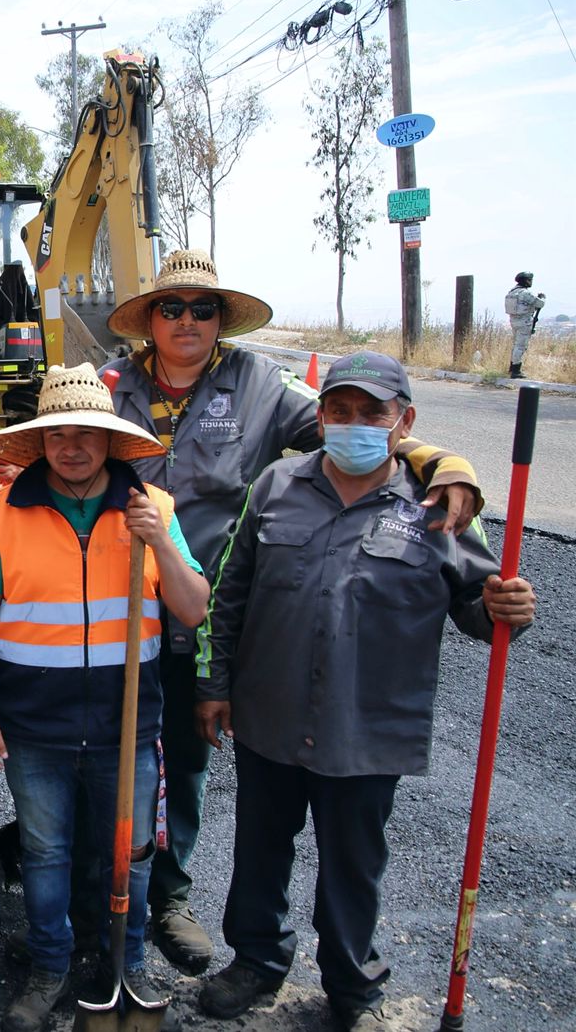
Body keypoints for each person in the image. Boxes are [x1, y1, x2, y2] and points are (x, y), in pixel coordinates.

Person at [98, 248, 482, 976]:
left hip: (207, 613)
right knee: (103, 755)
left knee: (183, 764)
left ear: (221, 321)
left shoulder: (262, 389)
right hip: (113, 613)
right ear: (149, 319)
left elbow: (363, 431)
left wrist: (445, 463)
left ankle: (170, 900)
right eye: (171, 307)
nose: (187, 319)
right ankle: (101, 895)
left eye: (202, 308)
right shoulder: (110, 384)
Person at [193, 352, 537, 1032]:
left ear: (403, 421)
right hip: (271, 711)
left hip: (369, 725)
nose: (354, 425)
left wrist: (506, 609)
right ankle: (257, 959)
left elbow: (476, 608)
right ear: (320, 417)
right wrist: (213, 682)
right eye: (339, 411)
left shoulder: (442, 506)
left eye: (372, 414)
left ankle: (352, 982)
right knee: (260, 847)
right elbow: (228, 591)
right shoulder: (277, 485)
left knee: (354, 862)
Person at [0, 365, 211, 1032]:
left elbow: (193, 607)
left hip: (126, 728)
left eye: (88, 434)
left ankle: (127, 964)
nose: (73, 446)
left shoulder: (153, 511)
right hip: (34, 731)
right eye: (59, 434)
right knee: (44, 853)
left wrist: (159, 543)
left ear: (110, 440)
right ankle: (49, 964)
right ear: (41, 443)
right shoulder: (0, 514)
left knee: (126, 851)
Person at [504, 271, 545, 379]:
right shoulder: (525, 293)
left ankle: (512, 367)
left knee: (516, 345)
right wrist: (542, 297)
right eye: (530, 280)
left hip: (514, 321)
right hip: (524, 322)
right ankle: (516, 370)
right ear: (526, 280)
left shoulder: (512, 292)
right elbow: (540, 303)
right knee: (521, 346)